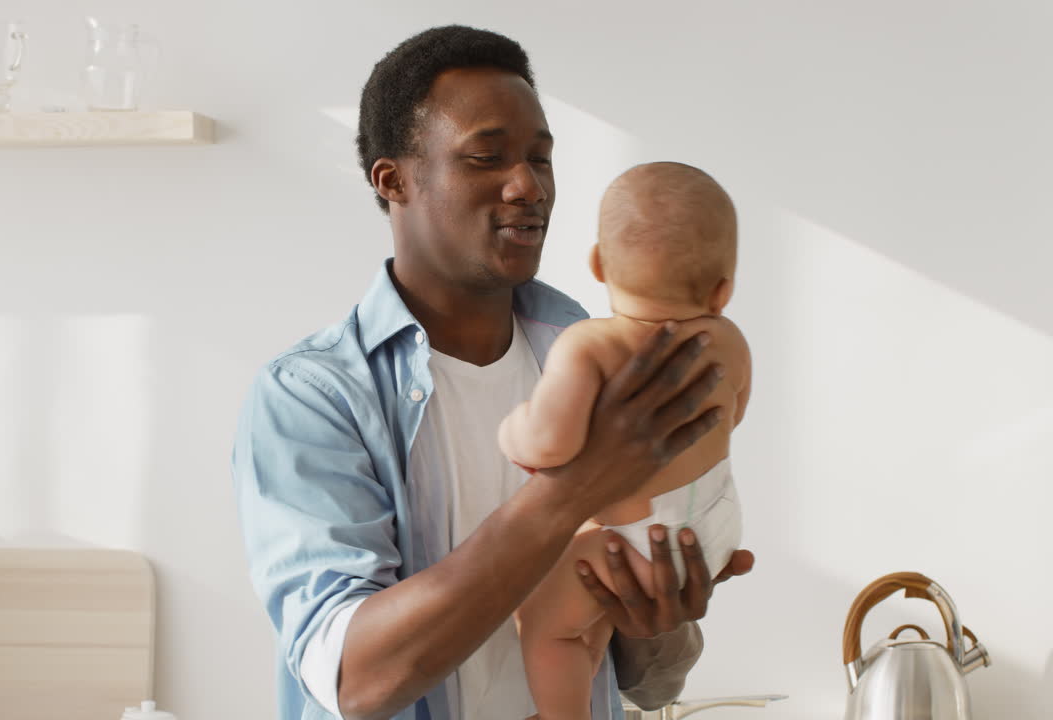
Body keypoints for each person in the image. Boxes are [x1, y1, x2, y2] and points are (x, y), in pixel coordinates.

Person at [232, 25, 753, 720]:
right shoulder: (311, 397)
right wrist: (573, 491)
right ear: (393, 181)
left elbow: (652, 687)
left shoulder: (596, 350)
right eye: (487, 157)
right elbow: (355, 679)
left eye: (541, 159)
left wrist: (658, 620)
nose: (528, 186)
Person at [501, 162, 750, 720]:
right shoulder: (730, 343)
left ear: (597, 264)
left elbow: (548, 445)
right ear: (722, 290)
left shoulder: (587, 344)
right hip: (713, 525)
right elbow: (733, 415)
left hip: (637, 543)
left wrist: (514, 428)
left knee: (546, 626)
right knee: (586, 614)